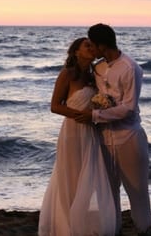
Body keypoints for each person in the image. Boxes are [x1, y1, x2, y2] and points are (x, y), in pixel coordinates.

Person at [76, 23, 151, 235]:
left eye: (93, 45)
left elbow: (129, 108)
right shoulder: (98, 68)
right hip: (103, 139)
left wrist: (95, 115)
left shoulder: (130, 68)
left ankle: (144, 230)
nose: (92, 49)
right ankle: (113, 230)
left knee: (137, 191)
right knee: (108, 192)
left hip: (128, 137)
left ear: (102, 45)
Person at [38, 37, 116, 236]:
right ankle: (67, 226)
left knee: (88, 179)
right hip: (72, 132)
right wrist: (80, 115)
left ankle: (81, 220)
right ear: (76, 52)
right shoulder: (68, 74)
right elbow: (55, 106)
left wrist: (99, 110)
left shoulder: (94, 76)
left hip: (90, 132)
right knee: (71, 177)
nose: (92, 48)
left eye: (93, 45)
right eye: (87, 45)